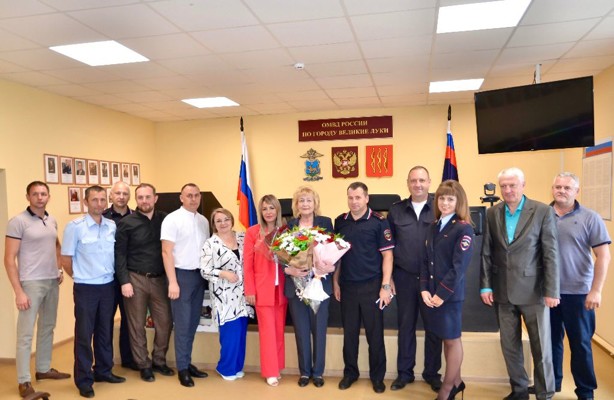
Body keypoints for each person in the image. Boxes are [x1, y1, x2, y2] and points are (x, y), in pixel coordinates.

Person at [480, 167, 560, 400]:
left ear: (523, 185)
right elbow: (487, 252)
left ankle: (545, 393)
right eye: (504, 186)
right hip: (502, 291)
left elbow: (551, 254)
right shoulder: (492, 213)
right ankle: (519, 390)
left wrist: (552, 290)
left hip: (535, 291)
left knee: (541, 346)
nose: (508, 190)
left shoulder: (543, 211)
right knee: (509, 345)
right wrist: (486, 285)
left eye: (512, 185)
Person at [537, 172, 610, 400]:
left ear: (577, 191)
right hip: (548, 292)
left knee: (580, 344)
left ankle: (585, 391)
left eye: (567, 188)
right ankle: (552, 384)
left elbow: (603, 256)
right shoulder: (541, 215)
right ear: (552, 189)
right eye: (558, 187)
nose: (561, 191)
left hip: (579, 293)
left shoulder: (590, 218)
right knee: (550, 343)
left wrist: (596, 290)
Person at [4, 181, 70, 398]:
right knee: (25, 334)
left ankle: (43, 368)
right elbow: (9, 259)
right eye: (35, 194)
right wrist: (19, 291)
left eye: (43, 194)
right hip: (30, 283)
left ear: (48, 196)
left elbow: (56, 245)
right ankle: (24, 381)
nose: (40, 197)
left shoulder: (51, 220)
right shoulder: (18, 222)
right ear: (28, 197)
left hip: (52, 281)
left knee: (47, 326)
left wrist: (58, 268)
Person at [61, 185, 126, 398]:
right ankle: (84, 380)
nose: (99, 204)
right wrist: (80, 276)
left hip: (108, 286)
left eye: (102, 200)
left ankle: (103, 371)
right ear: (86, 202)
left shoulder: (111, 226)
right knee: (84, 335)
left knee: (105, 331)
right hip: (86, 288)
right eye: (94, 200)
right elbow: (66, 259)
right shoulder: (75, 227)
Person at [333, 181, 395, 394]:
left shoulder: (379, 222)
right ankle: (350, 373)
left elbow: (388, 256)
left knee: (374, 335)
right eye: (350, 197)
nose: (354, 202)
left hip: (372, 287)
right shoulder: (340, 222)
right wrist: (335, 282)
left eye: (358, 197)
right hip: (348, 286)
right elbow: (337, 256)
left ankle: (377, 377)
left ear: (367, 198)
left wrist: (385, 286)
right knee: (349, 335)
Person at [387, 166, 443, 392]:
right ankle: (404, 373)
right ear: (408, 183)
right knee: (405, 326)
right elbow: (388, 247)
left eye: (421, 180)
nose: (417, 184)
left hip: (432, 280)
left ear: (429, 182)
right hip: (405, 277)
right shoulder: (396, 210)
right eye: (413, 181)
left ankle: (432, 373)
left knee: (434, 328)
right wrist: (390, 277)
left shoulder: (440, 207)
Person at [114, 183, 174, 383]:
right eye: (140, 197)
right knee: (136, 325)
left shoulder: (166, 220)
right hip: (135, 279)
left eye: (148, 197)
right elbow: (119, 254)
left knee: (164, 323)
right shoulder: (126, 223)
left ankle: (159, 360)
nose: (144, 201)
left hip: (160, 280)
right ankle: (144, 365)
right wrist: (124, 281)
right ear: (136, 200)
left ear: (155, 198)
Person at [420, 180, 474, 400]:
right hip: (432, 295)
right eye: (441, 198)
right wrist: (424, 289)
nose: (445, 202)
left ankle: (447, 389)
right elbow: (426, 261)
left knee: (452, 340)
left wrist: (441, 294)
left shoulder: (463, 228)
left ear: (459, 202)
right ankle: (457, 382)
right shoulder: (433, 226)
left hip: (448, 297)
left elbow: (458, 268)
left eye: (450, 199)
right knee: (445, 338)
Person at [284, 186, 335, 388]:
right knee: (302, 330)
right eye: (301, 200)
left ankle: (318, 373)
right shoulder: (289, 226)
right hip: (296, 286)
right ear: (296, 205)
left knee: (319, 330)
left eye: (308, 200)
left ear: (315, 203)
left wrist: (329, 266)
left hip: (319, 284)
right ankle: (305, 372)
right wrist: (289, 269)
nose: (305, 204)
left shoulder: (325, 223)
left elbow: (334, 250)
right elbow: (280, 255)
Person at [161, 183, 210, 387]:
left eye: (196, 195)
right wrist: (172, 281)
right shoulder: (172, 219)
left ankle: (187, 363)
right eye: (189, 195)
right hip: (180, 276)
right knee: (182, 324)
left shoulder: (203, 220)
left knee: (192, 323)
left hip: (199, 277)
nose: (193, 198)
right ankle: (182, 369)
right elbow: (166, 252)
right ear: (181, 198)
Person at [200, 208, 254, 381]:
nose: (223, 223)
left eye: (226, 219)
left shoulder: (243, 237)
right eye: (218, 221)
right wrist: (223, 274)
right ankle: (225, 368)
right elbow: (205, 270)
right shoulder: (210, 244)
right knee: (230, 333)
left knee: (240, 333)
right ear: (214, 224)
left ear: (231, 220)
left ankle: (237, 367)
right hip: (224, 296)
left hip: (243, 295)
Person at [244, 194, 287, 387]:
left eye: (271, 208)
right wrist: (250, 290)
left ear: (277, 210)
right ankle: (270, 371)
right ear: (260, 212)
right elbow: (247, 264)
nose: (268, 212)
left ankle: (277, 367)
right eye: (264, 209)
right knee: (267, 332)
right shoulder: (252, 232)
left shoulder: (285, 231)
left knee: (278, 330)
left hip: (282, 289)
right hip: (262, 289)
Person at [102, 181, 136, 371]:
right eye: (117, 193)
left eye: (125, 193)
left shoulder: (136, 217)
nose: (121, 197)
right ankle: (104, 363)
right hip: (107, 278)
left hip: (130, 277)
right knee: (105, 321)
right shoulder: (102, 217)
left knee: (129, 320)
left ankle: (128, 359)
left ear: (129, 196)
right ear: (111, 196)